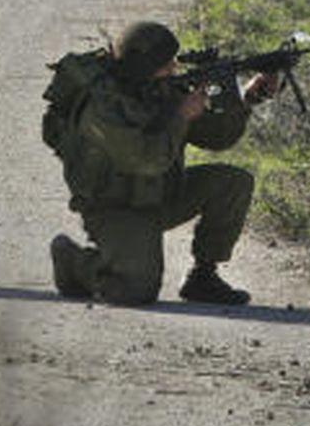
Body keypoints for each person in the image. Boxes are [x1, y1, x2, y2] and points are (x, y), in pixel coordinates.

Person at [45, 21, 281, 306]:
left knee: (233, 183)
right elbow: (147, 160)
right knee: (136, 290)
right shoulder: (102, 107)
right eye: (165, 64)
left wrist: (248, 97)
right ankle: (75, 264)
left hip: (161, 195)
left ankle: (203, 278)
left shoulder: (159, 88)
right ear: (141, 66)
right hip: (115, 209)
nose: (173, 69)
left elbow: (218, 138)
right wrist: (181, 116)